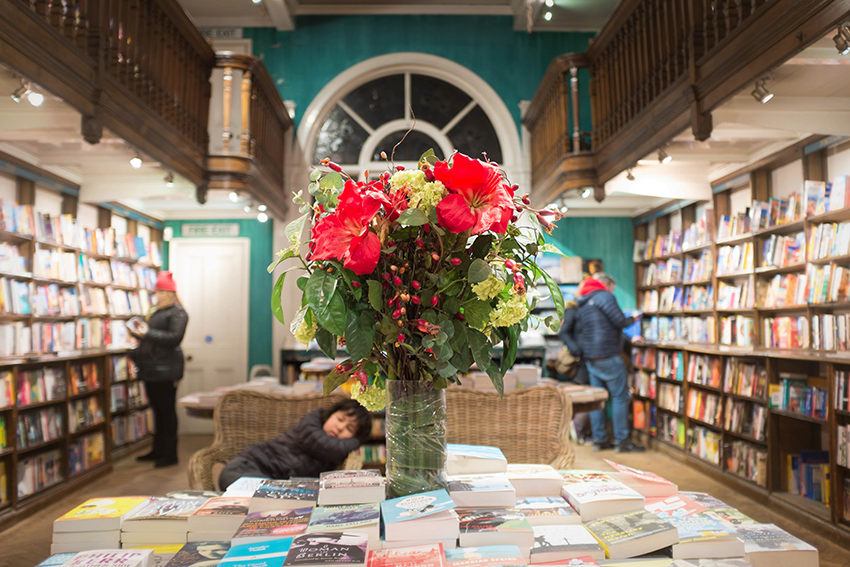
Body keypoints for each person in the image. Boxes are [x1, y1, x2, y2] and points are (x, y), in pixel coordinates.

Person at [218, 398, 372, 490]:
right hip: (248, 467)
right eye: (340, 419)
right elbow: (331, 447)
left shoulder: (338, 450)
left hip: (275, 481)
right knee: (266, 498)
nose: (340, 428)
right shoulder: (311, 425)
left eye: (349, 429)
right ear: (330, 414)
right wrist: (356, 441)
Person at [575, 272, 645, 453]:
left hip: (591, 357)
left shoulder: (584, 300)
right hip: (608, 355)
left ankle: (599, 440)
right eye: (612, 289)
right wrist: (635, 318)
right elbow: (620, 321)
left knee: (598, 399)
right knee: (620, 397)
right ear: (606, 286)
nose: (613, 292)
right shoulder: (605, 296)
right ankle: (622, 442)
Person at [129, 270, 189, 468]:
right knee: (157, 412)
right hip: (151, 369)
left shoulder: (178, 313)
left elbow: (174, 339)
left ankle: (170, 454)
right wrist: (139, 333)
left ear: (170, 293)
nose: (158, 295)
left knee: (167, 412)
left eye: (161, 291)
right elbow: (152, 337)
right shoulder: (156, 312)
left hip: (166, 370)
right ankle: (158, 450)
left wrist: (148, 332)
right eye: (157, 292)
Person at [558, 299, 592, 444]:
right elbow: (564, 332)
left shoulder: (577, 311)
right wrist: (576, 350)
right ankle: (578, 427)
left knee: (584, 392)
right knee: (584, 393)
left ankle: (578, 427)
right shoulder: (573, 311)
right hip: (580, 360)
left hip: (583, 358)